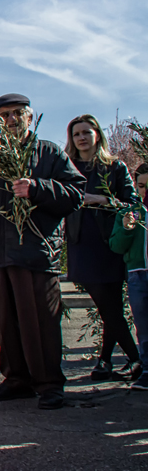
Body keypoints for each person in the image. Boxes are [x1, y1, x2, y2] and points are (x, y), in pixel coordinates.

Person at [0, 94, 84, 410]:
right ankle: (16, 379)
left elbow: (75, 193)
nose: (11, 120)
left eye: (16, 113)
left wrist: (38, 188)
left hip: (33, 253)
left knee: (39, 323)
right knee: (4, 322)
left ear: (30, 117)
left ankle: (49, 383)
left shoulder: (49, 154)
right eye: (3, 116)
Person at [64, 114, 140, 381]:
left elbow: (132, 203)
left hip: (110, 243)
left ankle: (105, 362)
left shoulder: (115, 167)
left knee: (112, 307)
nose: (81, 137)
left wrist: (100, 199)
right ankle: (136, 359)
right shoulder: (67, 168)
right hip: (81, 243)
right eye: (76, 134)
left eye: (86, 132)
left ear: (97, 134)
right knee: (107, 307)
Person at [109, 163, 148, 390]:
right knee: (143, 326)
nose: (144, 191)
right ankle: (146, 370)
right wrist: (126, 228)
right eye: (141, 186)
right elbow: (116, 245)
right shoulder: (130, 213)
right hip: (138, 275)